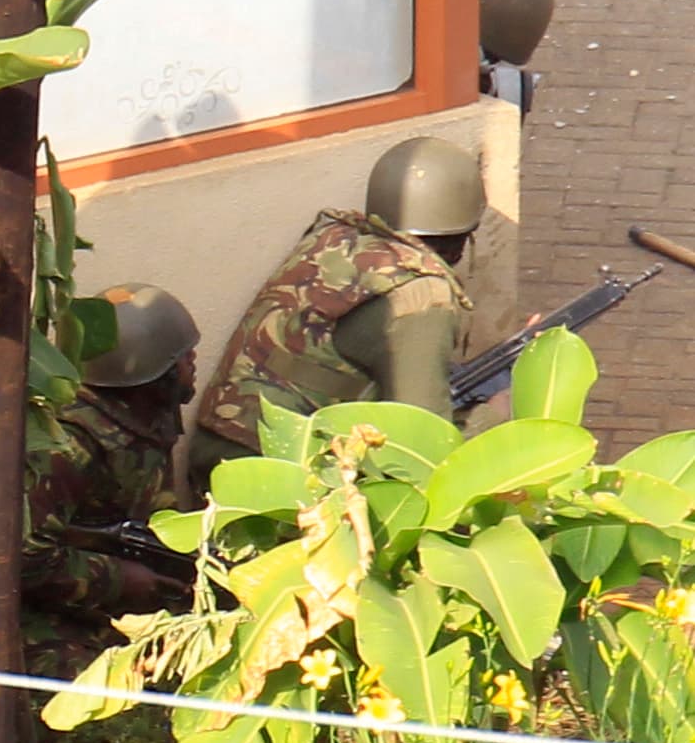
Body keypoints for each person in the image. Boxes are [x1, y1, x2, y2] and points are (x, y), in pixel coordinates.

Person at [188, 136, 481, 485]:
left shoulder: (334, 238)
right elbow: (426, 451)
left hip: (223, 452)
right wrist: (495, 415)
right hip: (284, 483)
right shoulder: (420, 296)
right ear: (465, 233)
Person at [23, 283, 197, 674]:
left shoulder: (150, 412)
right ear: (152, 375)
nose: (193, 361)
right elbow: (23, 559)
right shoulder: (70, 446)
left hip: (120, 598)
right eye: (182, 358)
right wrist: (118, 580)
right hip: (46, 616)